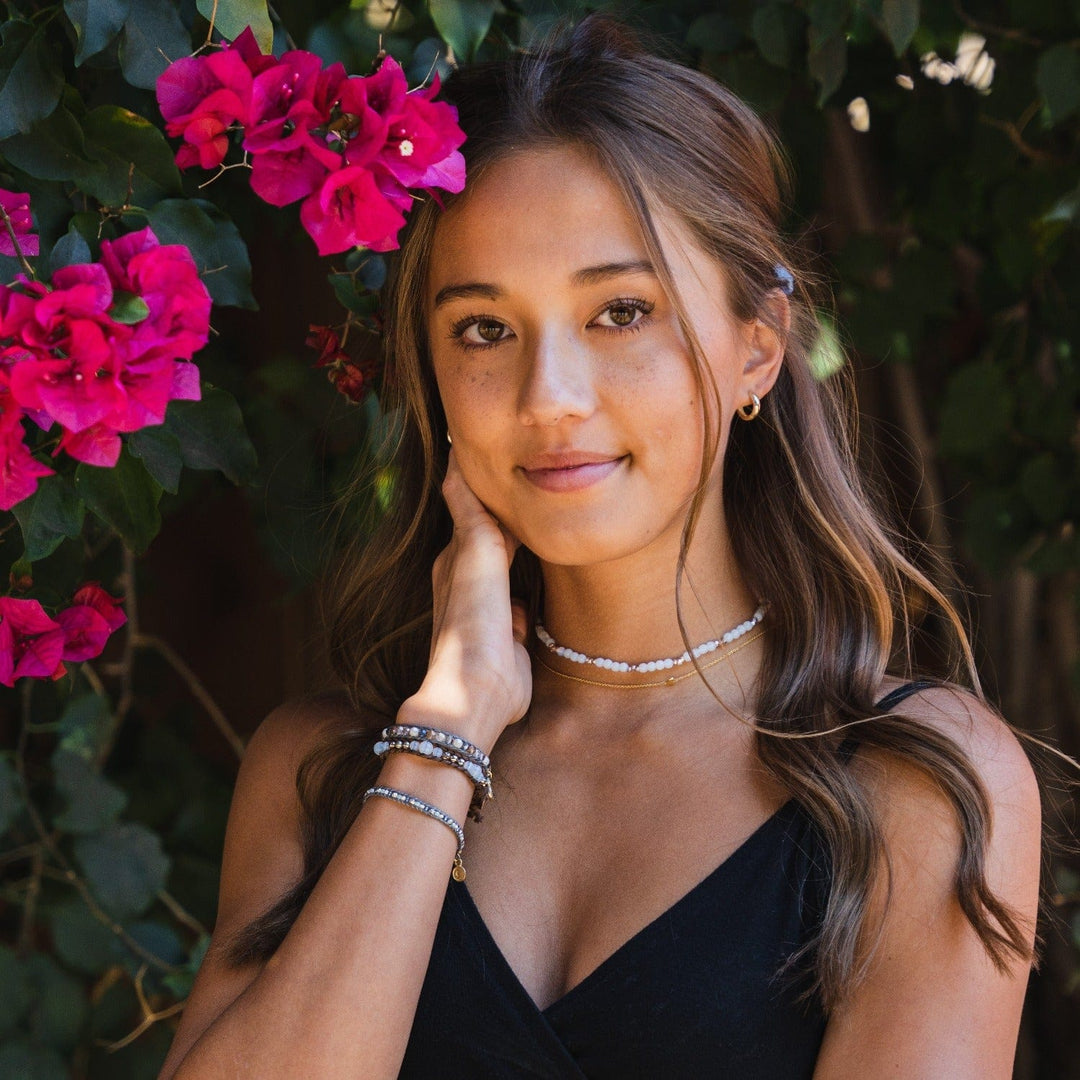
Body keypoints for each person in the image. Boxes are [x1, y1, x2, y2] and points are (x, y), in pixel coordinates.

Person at [159, 14, 1052, 1079]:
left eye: (622, 312)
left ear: (757, 352)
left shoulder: (915, 785)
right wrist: (447, 737)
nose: (552, 400)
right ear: (432, 380)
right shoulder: (319, 772)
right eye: (484, 329)